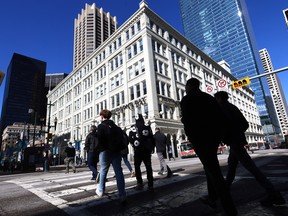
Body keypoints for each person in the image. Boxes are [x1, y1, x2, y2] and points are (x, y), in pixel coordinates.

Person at [214, 91, 285, 206]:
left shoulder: (222, 108)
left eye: (215, 98)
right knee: (231, 170)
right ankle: (220, 196)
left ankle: (275, 195)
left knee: (253, 169)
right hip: (236, 142)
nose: (215, 100)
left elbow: (223, 126)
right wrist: (237, 133)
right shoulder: (233, 107)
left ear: (220, 98)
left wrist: (229, 135)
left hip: (234, 143)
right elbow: (245, 124)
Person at [180, 78, 237, 216]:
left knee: (214, 171)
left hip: (200, 139)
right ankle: (212, 197)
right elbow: (220, 117)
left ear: (189, 86)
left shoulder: (186, 100)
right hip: (212, 139)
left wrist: (193, 138)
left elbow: (187, 122)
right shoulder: (209, 98)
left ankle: (230, 209)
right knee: (210, 168)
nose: (185, 88)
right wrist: (218, 136)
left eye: (186, 86)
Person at [96, 109, 126, 203]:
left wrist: (100, 149)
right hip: (116, 151)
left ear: (102, 116)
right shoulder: (117, 127)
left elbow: (100, 139)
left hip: (105, 151)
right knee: (118, 171)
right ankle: (122, 194)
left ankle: (101, 190)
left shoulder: (101, 126)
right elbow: (122, 138)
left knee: (103, 170)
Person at [129, 114, 155, 191]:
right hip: (146, 151)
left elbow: (130, 140)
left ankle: (139, 183)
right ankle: (150, 184)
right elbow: (151, 138)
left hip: (138, 151)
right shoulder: (147, 127)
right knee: (148, 167)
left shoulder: (132, 129)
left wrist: (135, 146)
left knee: (137, 167)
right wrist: (152, 147)